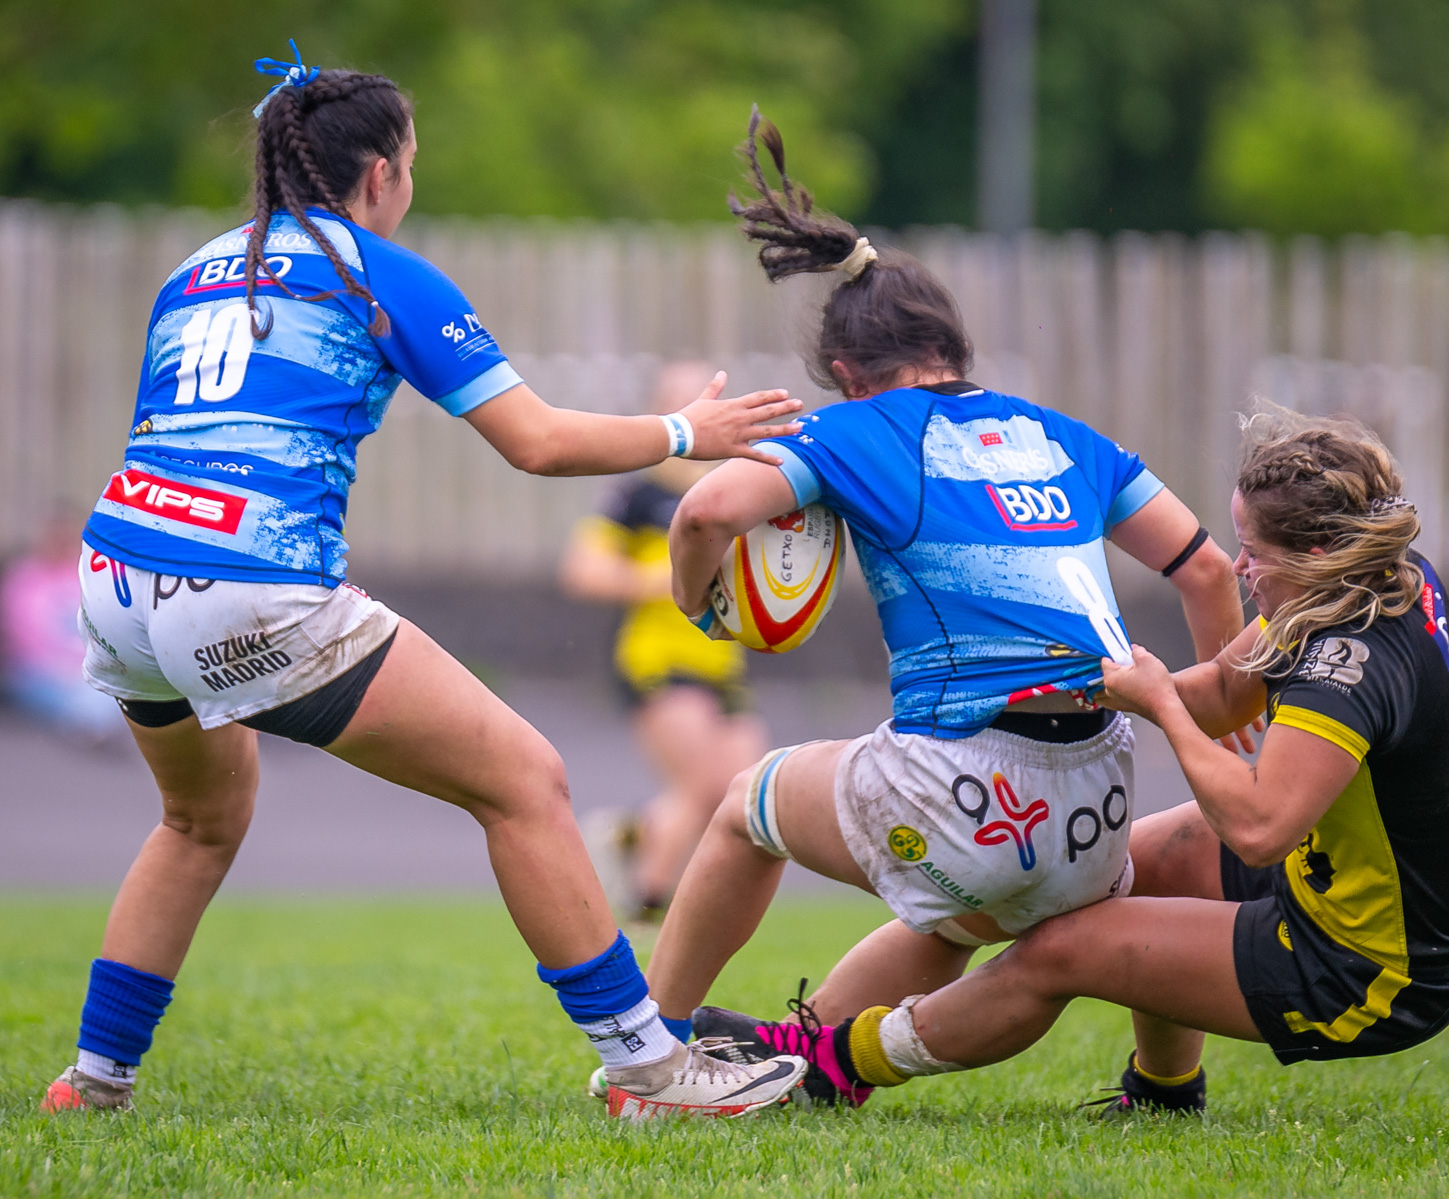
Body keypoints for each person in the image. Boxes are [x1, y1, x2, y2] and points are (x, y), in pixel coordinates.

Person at [40, 48, 810, 1120]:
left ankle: (93, 1079)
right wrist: (692, 431)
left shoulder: (197, 268)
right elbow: (536, 441)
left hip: (116, 578)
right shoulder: (373, 267)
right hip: (247, 580)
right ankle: (651, 1067)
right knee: (526, 780)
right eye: (413, 164)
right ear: (383, 174)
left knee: (198, 821)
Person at [642, 109, 1246, 1107]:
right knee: (958, 916)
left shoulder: (858, 430)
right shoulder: (1064, 437)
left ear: (844, 374)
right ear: (957, 349)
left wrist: (697, 600)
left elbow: (707, 506)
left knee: (745, 805)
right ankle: (817, 1059)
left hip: (965, 787)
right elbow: (1211, 575)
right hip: (1097, 805)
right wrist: (1228, 723)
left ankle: (648, 1053)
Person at [756, 406, 1449, 1113]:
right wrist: (1075, 691)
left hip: (1373, 971)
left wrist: (1162, 708)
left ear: (1313, 553)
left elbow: (1258, 826)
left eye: (1255, 551)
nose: (1240, 565)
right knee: (1126, 867)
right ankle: (1164, 1091)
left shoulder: (1347, 663)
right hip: (1353, 879)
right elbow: (1218, 690)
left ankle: (833, 1062)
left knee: (1064, 947)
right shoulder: (1366, 578)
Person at [561, 361, 767, 920]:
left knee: (744, 792)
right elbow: (583, 571)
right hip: (656, 658)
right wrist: (670, 577)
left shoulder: (741, 488)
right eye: (682, 398)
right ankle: (646, 906)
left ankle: (632, 835)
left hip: (721, 659)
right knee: (700, 785)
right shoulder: (637, 495)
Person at [2, 509, 126, 745]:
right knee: (60, 693)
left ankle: (95, 720)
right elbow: (25, 634)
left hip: (84, 666)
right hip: (38, 668)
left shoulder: (83, 576)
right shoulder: (26, 577)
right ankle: (89, 721)